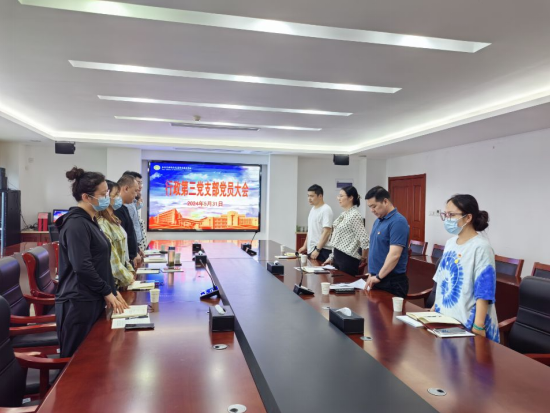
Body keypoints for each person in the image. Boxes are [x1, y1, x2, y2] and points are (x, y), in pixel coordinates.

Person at [55, 167, 128, 357]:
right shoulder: (76, 224)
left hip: (92, 297)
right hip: (78, 303)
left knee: (97, 356)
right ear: (86, 197)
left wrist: (111, 290)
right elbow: (83, 266)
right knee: (78, 361)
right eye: (103, 195)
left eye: (107, 193)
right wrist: (106, 291)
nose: (107, 198)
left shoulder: (90, 220)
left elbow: (100, 262)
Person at [431, 194, 499, 342]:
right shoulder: (450, 243)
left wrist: (478, 326)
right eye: (445, 215)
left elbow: (484, 291)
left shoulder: (481, 247)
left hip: (468, 323)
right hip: (445, 318)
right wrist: (434, 308)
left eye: (451, 215)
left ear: (468, 218)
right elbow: (442, 280)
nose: (447, 219)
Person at [364, 186, 410, 298]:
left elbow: (394, 255)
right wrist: (372, 273)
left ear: (385, 201)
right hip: (376, 278)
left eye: (374, 206)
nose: (372, 210)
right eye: (370, 207)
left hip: (391, 281)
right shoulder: (378, 221)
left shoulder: (398, 221)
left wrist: (379, 276)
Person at [322, 186, 369, 275]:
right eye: (338, 196)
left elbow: (364, 239)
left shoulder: (354, 215)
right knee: (337, 283)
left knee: (346, 283)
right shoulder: (344, 214)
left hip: (348, 259)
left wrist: (363, 258)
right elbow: (337, 239)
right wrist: (332, 257)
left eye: (341, 196)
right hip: (338, 257)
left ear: (350, 198)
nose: (338, 198)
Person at [97, 180, 136, 288]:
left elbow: (123, 252)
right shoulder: (102, 224)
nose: (119, 197)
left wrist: (130, 270)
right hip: (114, 282)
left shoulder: (115, 219)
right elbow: (112, 260)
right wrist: (128, 277)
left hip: (123, 279)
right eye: (116, 195)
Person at [298, 184, 333, 262]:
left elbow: (327, 232)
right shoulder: (313, 209)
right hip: (312, 249)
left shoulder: (326, 209)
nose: (309, 199)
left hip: (321, 250)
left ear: (320, 196)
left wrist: (317, 249)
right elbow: (310, 230)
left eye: (312, 196)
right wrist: (304, 246)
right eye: (308, 196)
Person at [114, 174, 141, 268]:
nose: (136, 195)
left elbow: (130, 232)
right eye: (135, 191)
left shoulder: (124, 208)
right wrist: (133, 254)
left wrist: (136, 250)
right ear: (126, 188)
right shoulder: (116, 210)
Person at [123, 170, 144, 255]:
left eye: (141, 183)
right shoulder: (126, 205)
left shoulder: (132, 202)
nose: (140, 187)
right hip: (130, 247)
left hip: (135, 244)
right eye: (138, 183)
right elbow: (128, 231)